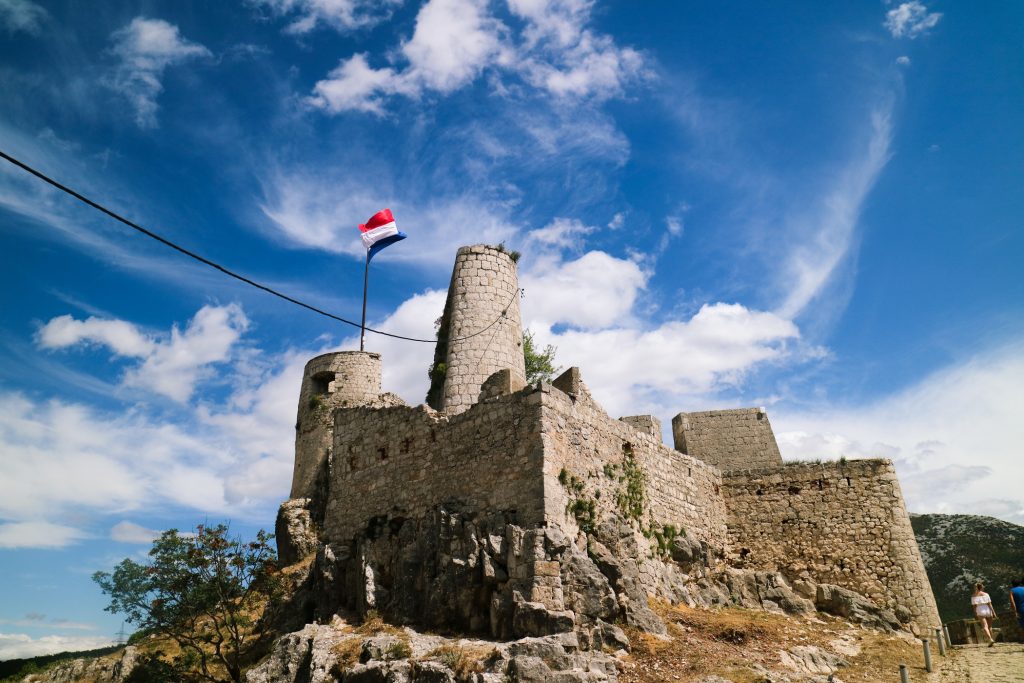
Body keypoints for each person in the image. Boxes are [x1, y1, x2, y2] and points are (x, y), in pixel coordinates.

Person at [971, 582, 997, 646]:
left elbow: (974, 606)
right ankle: (991, 639)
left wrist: (975, 614)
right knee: (990, 626)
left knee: (985, 626)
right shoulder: (986, 594)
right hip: (987, 609)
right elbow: (990, 604)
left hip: (980, 610)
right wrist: (993, 612)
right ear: (981, 587)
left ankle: (990, 639)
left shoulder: (973, 596)